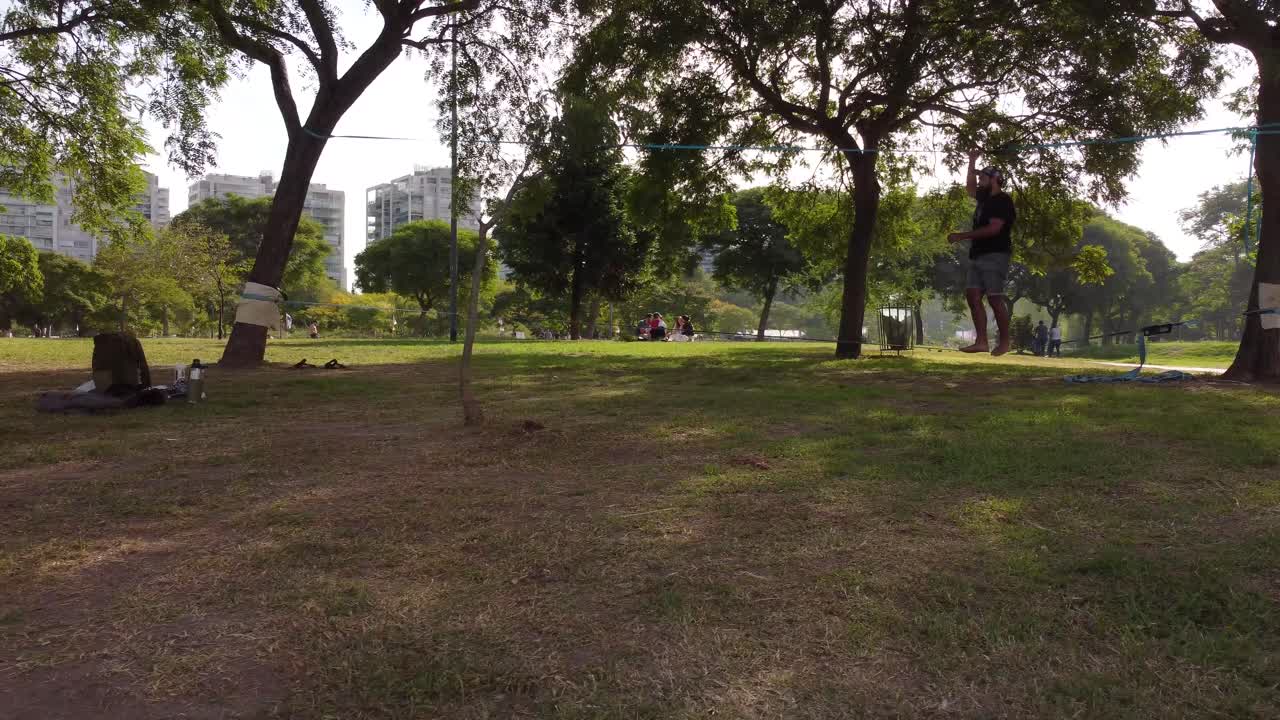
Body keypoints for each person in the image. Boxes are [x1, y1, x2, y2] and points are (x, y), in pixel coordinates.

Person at [948, 151, 1016, 356]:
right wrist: (971, 160)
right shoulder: (984, 199)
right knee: (973, 295)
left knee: (995, 298)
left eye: (983, 178)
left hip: (995, 254)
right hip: (978, 255)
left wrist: (962, 236)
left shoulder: (1002, 200)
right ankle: (981, 342)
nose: (979, 181)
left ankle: (1004, 342)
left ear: (995, 180)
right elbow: (969, 188)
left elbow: (994, 228)